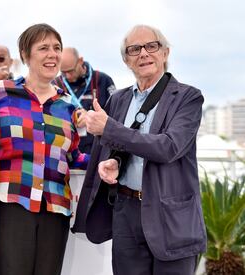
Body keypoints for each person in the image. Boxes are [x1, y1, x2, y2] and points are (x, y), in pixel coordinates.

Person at [72, 25, 207, 275]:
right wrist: (113, 163)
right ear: (126, 60)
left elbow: (168, 147)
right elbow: (119, 147)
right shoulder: (118, 100)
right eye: (134, 49)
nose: (143, 53)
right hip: (126, 211)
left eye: (151, 46)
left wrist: (109, 129)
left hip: (171, 218)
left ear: (165, 53)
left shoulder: (188, 98)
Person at [0, 23, 88, 275]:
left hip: (55, 208)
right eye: (43, 48)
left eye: (57, 48)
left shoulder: (67, 106)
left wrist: (110, 160)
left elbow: (73, 157)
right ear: (25, 55)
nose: (52, 54)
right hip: (10, 204)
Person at [53, 47, 115, 154]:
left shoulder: (103, 80)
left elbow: (116, 118)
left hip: (97, 152)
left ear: (80, 61)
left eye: (70, 71)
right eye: (63, 72)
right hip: (66, 154)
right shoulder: (55, 85)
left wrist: (92, 117)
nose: (67, 76)